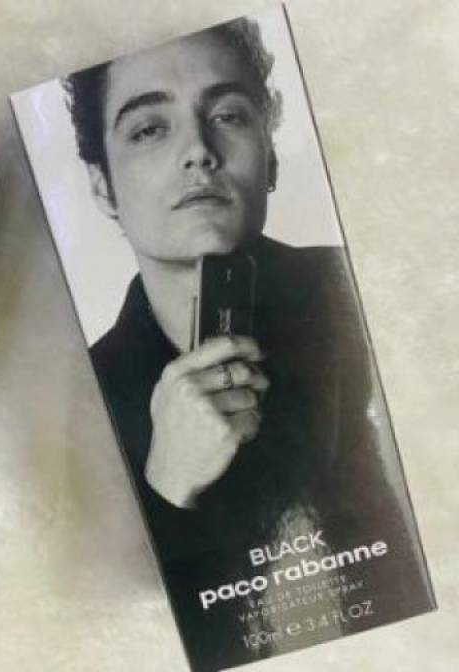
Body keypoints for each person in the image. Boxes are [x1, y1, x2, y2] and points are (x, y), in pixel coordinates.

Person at [64, 17, 433, 671]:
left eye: (228, 115)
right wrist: (167, 485)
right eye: (149, 129)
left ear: (270, 152)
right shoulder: (84, 395)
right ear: (102, 187)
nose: (199, 151)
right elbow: (105, 629)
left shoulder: (373, 289)